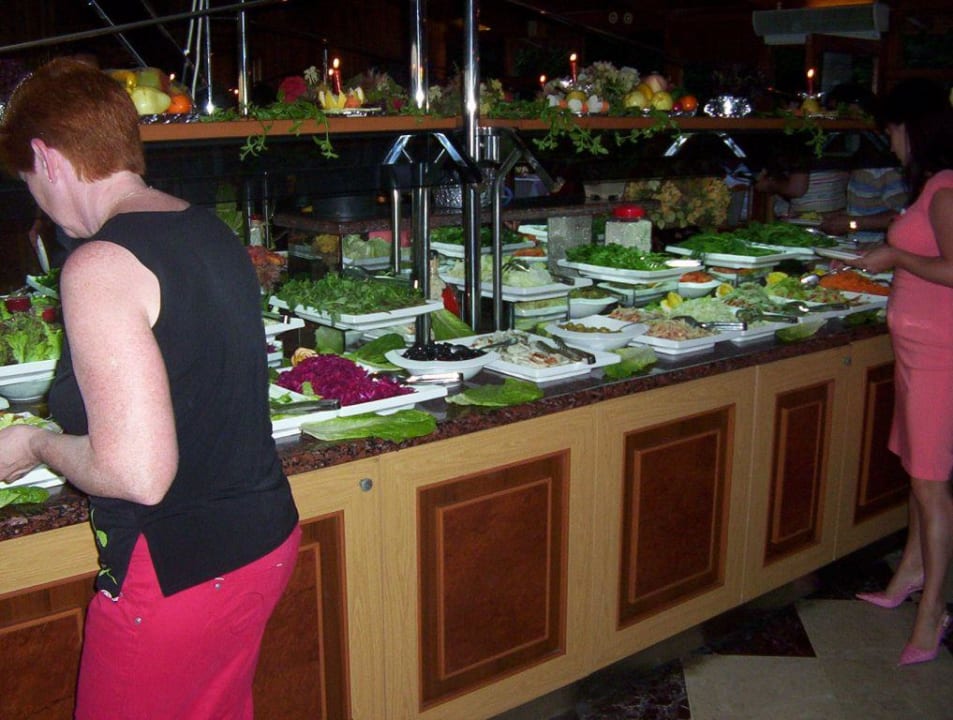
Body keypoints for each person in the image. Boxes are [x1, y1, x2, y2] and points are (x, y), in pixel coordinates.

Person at [0, 57, 300, 717]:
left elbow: (136, 474)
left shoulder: (99, 265)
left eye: (27, 180)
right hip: (262, 541)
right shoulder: (206, 227)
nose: (35, 199)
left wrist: (34, 443)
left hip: (176, 571)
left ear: (46, 157)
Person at [846, 78, 953, 666]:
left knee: (931, 485)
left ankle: (932, 613)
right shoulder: (931, 185)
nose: (889, 141)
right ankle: (908, 575)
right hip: (918, 352)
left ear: (914, 128)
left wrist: (895, 257)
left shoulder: (945, 187)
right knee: (918, 474)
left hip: (939, 356)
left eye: (891, 130)